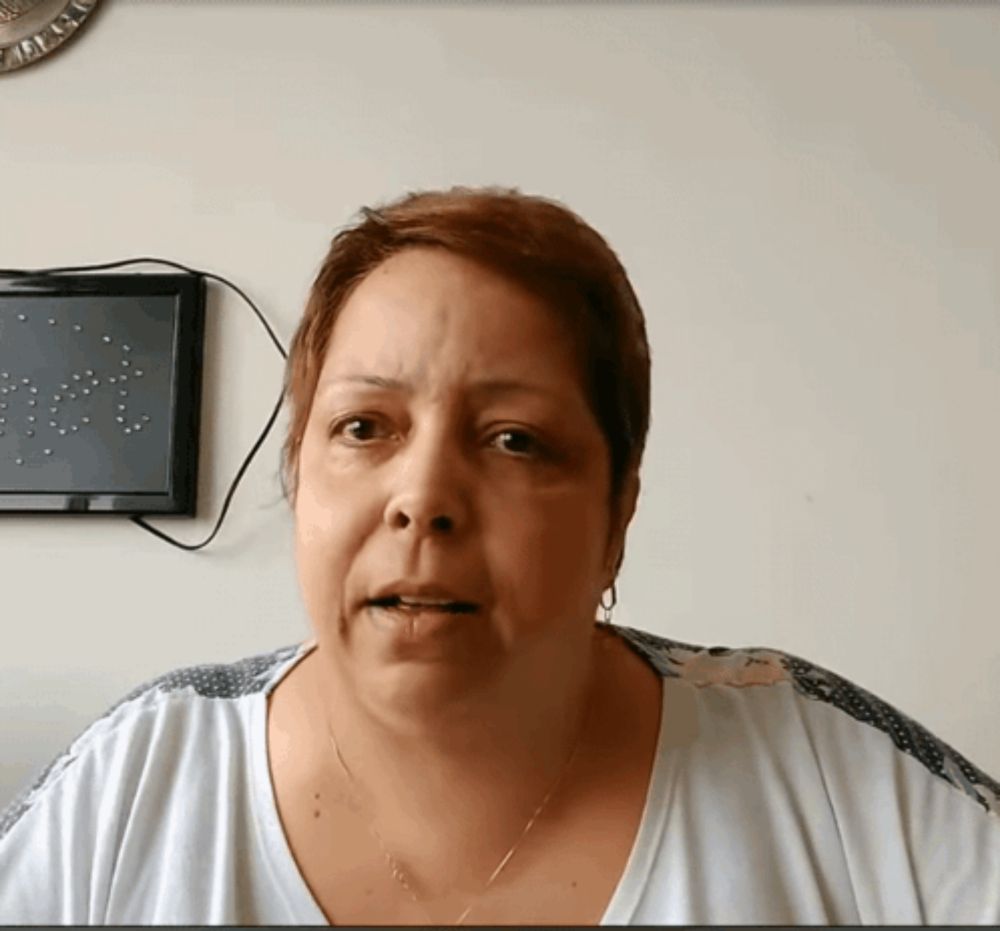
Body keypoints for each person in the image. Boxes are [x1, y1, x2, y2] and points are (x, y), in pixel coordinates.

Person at [0, 186, 998, 926]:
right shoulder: (138, 781)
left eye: (514, 438)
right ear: (299, 479)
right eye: (363, 427)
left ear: (617, 515)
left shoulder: (830, 781)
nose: (424, 498)